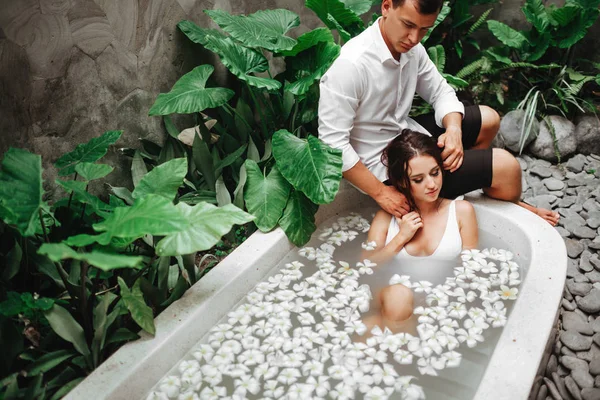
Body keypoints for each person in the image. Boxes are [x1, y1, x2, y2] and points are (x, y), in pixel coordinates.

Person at [318, 0, 559, 226]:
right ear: (387, 6)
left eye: (424, 29)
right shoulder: (351, 66)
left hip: (405, 135)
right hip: (380, 165)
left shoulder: (412, 48)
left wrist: (453, 130)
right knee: (507, 167)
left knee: (488, 119)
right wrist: (382, 193)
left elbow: (441, 92)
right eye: (408, 25)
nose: (414, 38)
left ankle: (466, 190)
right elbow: (332, 143)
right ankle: (495, 196)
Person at [363, 130, 478, 325]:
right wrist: (401, 237)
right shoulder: (386, 217)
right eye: (418, 179)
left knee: (370, 328)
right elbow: (366, 268)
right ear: (401, 181)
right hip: (393, 302)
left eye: (435, 173)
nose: (432, 184)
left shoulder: (461, 212)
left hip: (444, 301)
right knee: (397, 296)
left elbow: (472, 268)